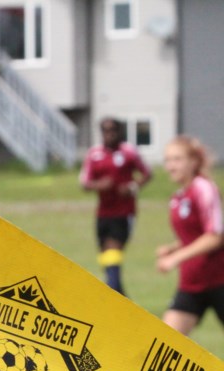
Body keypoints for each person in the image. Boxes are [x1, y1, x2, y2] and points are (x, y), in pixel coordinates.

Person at [156, 135, 224, 335]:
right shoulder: (179, 196)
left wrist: (175, 258)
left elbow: (215, 236)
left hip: (219, 279)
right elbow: (195, 236)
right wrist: (173, 247)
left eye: (177, 159)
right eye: (167, 160)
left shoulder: (203, 187)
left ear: (193, 161)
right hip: (193, 282)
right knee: (165, 344)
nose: (171, 166)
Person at [79, 117, 152, 295]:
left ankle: (111, 294)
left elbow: (147, 173)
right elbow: (84, 183)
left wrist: (132, 187)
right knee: (107, 258)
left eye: (113, 130)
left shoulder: (128, 152)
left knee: (113, 251)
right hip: (103, 212)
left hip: (124, 212)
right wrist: (99, 185)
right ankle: (122, 299)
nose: (109, 134)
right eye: (105, 130)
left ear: (120, 132)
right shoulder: (94, 154)